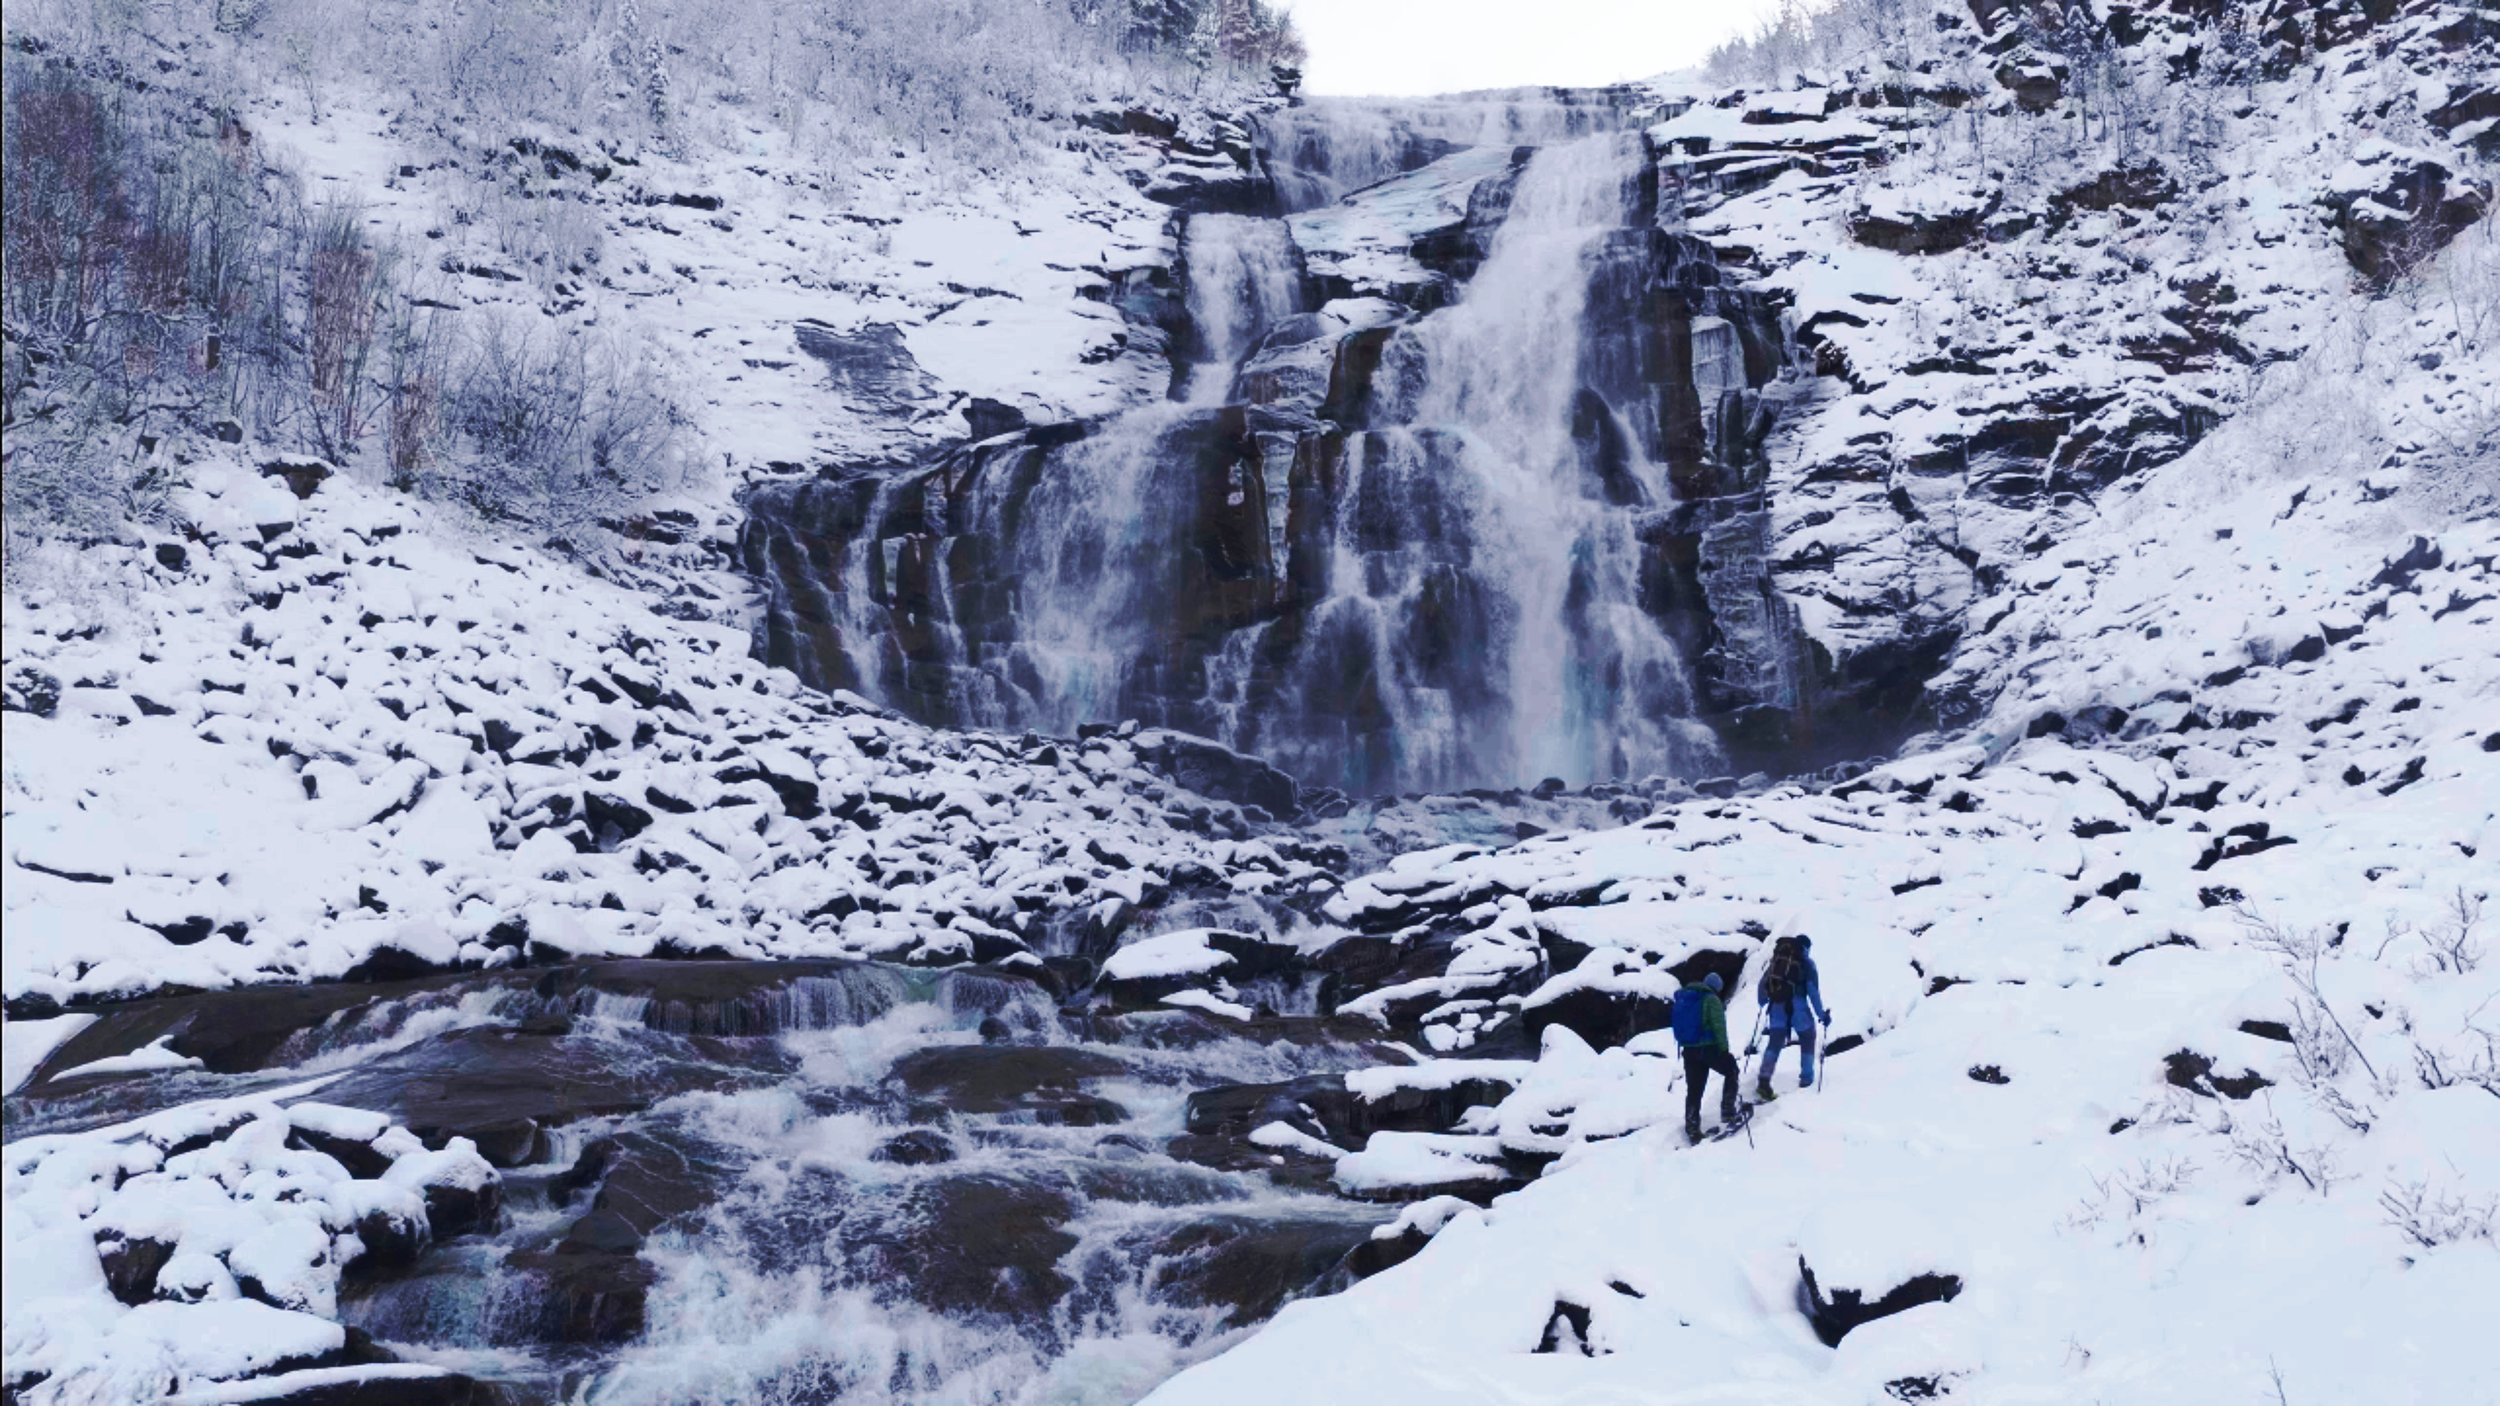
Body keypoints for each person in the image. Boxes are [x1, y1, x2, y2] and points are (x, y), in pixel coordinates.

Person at [1755, 933, 1831, 1100]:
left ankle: (1764, 1079)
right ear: (1807, 948)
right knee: (1808, 1036)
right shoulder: (1807, 964)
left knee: (1774, 1043)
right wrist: (1822, 1015)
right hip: (1798, 1008)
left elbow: (1763, 984)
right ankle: (1806, 1079)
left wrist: (1762, 1002)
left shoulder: (1778, 961)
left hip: (1776, 1007)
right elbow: (1813, 992)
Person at [1671, 971, 1741, 1142]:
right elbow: (1719, 1027)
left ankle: (1692, 1127)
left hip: (1688, 1050)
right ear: (1717, 987)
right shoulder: (1711, 999)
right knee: (1732, 1071)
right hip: (1708, 1048)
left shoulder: (1687, 997)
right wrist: (1724, 1050)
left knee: (1694, 1089)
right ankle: (1728, 1112)